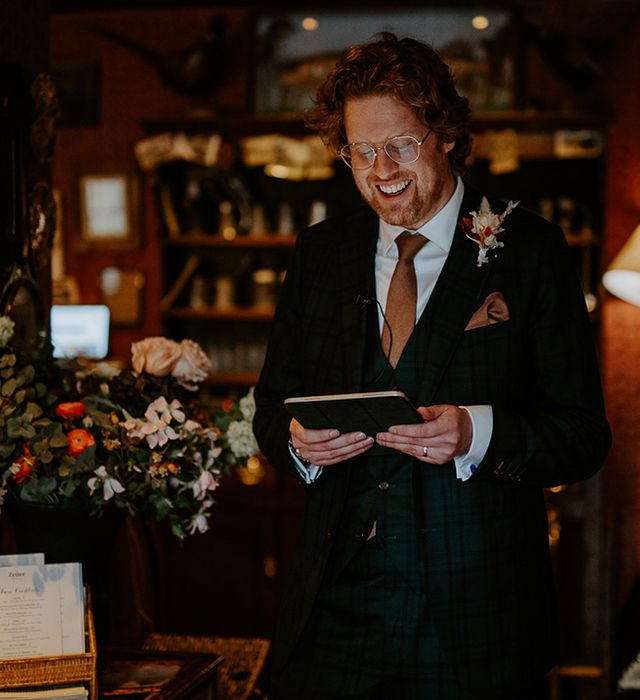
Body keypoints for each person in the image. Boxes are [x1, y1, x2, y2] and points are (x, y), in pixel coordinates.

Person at [253, 32, 611, 700]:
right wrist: (299, 444)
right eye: (361, 150)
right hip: (334, 615)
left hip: (479, 625)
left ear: (443, 133)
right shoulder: (321, 254)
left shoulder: (529, 250)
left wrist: (478, 433)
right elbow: (272, 408)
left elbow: (584, 436)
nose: (379, 168)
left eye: (400, 145)